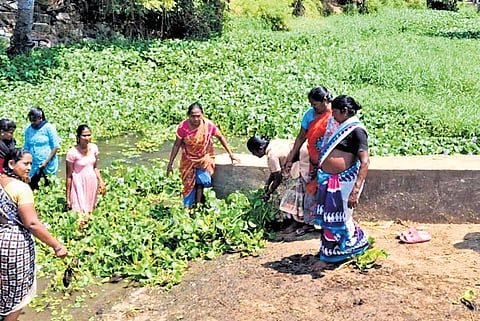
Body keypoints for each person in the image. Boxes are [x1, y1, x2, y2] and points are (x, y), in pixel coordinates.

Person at [0, 148, 68, 321]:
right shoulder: (21, 188)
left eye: (31, 163)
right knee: (17, 297)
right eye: (25, 163)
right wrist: (57, 245)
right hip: (14, 246)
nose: (29, 167)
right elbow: (32, 223)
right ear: (11, 164)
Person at [312, 95, 370, 270]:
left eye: (335, 112)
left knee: (337, 219)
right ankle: (336, 250)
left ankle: (334, 254)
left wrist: (355, 189)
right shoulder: (341, 126)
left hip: (345, 183)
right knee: (329, 218)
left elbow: (365, 161)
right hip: (331, 181)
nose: (333, 116)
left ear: (344, 111)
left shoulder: (357, 130)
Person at [167, 102, 240, 208]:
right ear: (189, 115)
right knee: (188, 184)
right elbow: (176, 145)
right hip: (188, 159)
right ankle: (188, 207)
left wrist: (231, 154)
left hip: (203, 159)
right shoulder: (183, 127)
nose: (196, 119)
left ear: (202, 114)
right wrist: (170, 163)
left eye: (198, 116)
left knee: (203, 180)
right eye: (193, 116)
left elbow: (220, 137)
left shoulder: (208, 125)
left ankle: (198, 204)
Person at [285, 86, 333, 224]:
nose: (314, 107)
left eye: (315, 104)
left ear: (325, 100)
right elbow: (301, 137)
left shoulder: (335, 114)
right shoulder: (310, 115)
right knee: (311, 191)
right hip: (314, 162)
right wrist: (290, 158)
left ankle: (329, 224)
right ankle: (311, 223)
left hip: (331, 163)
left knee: (330, 193)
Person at [247, 135, 313, 235]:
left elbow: (278, 178)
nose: (254, 155)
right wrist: (267, 184)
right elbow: (274, 172)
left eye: (253, 152)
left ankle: (298, 223)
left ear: (260, 149)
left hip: (303, 160)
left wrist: (269, 192)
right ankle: (303, 222)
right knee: (301, 195)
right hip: (306, 152)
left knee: (293, 197)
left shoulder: (271, 156)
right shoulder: (274, 144)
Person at [66, 125, 106, 225]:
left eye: (89, 135)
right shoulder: (72, 153)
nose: (87, 138)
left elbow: (95, 167)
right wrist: (68, 198)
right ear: (78, 137)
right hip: (78, 183)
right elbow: (69, 176)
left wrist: (101, 181)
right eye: (84, 136)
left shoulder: (94, 148)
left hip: (91, 182)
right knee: (78, 214)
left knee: (90, 210)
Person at [23, 107, 61, 189]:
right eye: (30, 120)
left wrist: (46, 162)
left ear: (40, 118)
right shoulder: (28, 129)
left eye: (34, 120)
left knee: (49, 185)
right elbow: (26, 146)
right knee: (32, 185)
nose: (32, 122)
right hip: (34, 163)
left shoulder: (49, 128)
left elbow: (55, 146)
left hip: (48, 162)